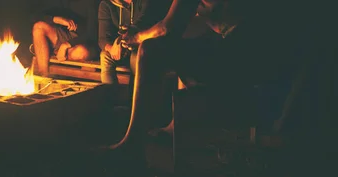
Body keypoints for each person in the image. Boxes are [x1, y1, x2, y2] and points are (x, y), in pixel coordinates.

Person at [111, 0, 292, 149]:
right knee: (180, 44)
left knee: (150, 50)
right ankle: (178, 123)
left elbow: (167, 28)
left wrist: (135, 38)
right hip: (260, 51)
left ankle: (132, 144)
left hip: (245, 56)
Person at [98, 0, 163, 84]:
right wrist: (112, 49)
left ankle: (137, 95)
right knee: (105, 56)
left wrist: (121, 40)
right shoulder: (107, 4)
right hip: (121, 50)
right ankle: (110, 94)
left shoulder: (145, 2)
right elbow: (103, 39)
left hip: (142, 45)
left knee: (137, 56)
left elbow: (143, 22)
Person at [31, 0, 99, 77]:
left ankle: (61, 56)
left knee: (81, 52)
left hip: (83, 41)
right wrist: (56, 19)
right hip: (63, 35)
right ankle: (44, 75)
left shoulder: (91, 3)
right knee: (38, 27)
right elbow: (34, 16)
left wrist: (66, 45)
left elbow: (93, 33)